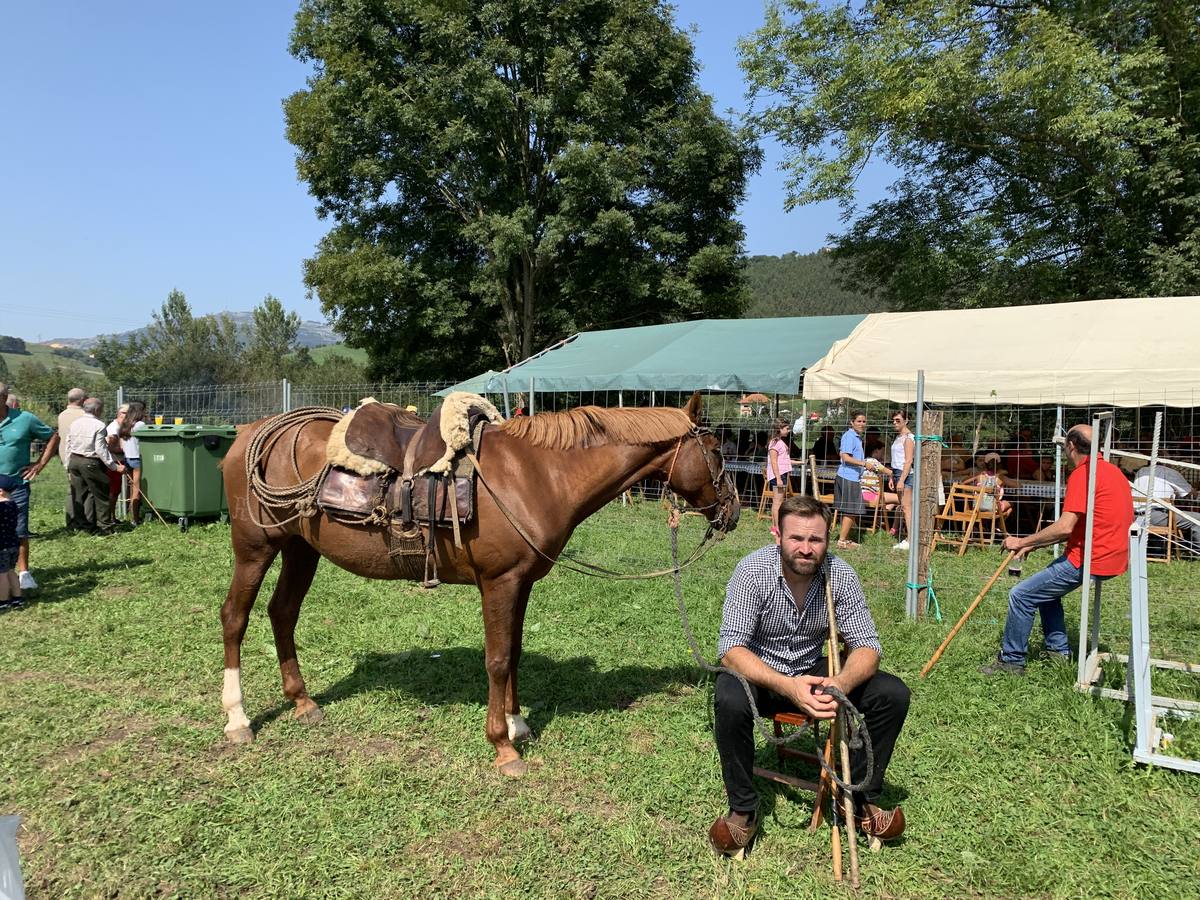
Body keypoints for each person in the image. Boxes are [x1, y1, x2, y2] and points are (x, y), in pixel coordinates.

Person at [708, 495, 910, 855]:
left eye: (815, 539)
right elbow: (731, 650)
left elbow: (868, 647)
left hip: (815, 674)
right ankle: (743, 809)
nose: (805, 548)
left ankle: (858, 799)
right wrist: (788, 686)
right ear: (778, 535)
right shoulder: (752, 571)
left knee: (892, 694)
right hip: (763, 675)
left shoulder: (840, 576)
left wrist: (840, 683)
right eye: (796, 538)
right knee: (728, 695)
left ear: (828, 539)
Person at [982, 425, 1134, 676]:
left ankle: (1011, 662)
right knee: (1045, 593)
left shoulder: (1083, 474)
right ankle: (1058, 653)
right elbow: (1085, 524)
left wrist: (1021, 541)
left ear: (1071, 446)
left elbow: (1065, 527)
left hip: (1090, 558)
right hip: (1113, 555)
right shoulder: (1111, 471)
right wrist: (1033, 543)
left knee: (1021, 595)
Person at [0, 382, 59, 591]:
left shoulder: (25, 419)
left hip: (16, 485)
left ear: (3, 398)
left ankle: (24, 573)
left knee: (19, 529)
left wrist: (39, 464)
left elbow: (53, 436)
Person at [65, 397, 126, 533]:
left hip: (74, 460)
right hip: (90, 462)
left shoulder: (75, 423)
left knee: (79, 495)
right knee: (101, 494)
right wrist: (114, 466)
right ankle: (105, 527)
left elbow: (68, 444)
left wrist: (67, 465)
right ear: (97, 410)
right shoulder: (99, 425)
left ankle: (82, 525)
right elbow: (100, 449)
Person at [833, 411, 882, 550]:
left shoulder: (856, 437)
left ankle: (845, 539)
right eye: (859, 421)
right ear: (852, 422)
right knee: (851, 510)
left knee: (851, 510)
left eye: (864, 421)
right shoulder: (849, 436)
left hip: (852, 476)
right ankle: (842, 541)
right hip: (848, 476)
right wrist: (864, 464)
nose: (862, 424)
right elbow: (845, 457)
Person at [1131, 461, 1195, 552]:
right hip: (1156, 516)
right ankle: (1196, 552)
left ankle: (1155, 550)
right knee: (1197, 519)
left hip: (1135, 515)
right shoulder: (1170, 472)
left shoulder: (1141, 471)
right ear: (1167, 461)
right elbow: (1188, 492)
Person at [57, 387, 87, 529]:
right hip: (80, 456)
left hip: (65, 456)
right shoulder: (84, 415)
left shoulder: (62, 415)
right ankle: (80, 520)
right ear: (82, 400)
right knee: (82, 489)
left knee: (73, 487)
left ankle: (71, 520)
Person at [119, 400, 149, 525]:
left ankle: (132, 515)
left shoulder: (125, 423)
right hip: (137, 459)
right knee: (136, 490)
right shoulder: (140, 424)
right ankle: (135, 519)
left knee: (132, 489)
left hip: (127, 459)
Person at [889, 410, 915, 551]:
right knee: (903, 507)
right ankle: (908, 537)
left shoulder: (909, 438)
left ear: (906, 420)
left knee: (907, 508)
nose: (894, 423)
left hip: (905, 474)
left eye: (898, 420)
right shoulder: (899, 437)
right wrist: (892, 476)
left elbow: (908, 460)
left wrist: (901, 480)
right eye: (893, 420)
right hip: (897, 473)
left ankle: (910, 540)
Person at [766, 419, 793, 533]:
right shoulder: (775, 443)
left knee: (778, 501)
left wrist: (799, 462)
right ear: (779, 429)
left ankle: (775, 526)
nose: (788, 430)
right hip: (779, 475)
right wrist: (778, 478)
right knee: (778, 502)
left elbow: (783, 459)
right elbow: (774, 461)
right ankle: (777, 527)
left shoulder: (779, 442)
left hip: (782, 474)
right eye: (786, 428)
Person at [0, 473, 22, 610]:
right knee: (11, 571)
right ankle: (17, 598)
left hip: (1, 546)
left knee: (1, 575)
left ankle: (3, 601)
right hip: (13, 544)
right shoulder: (13, 505)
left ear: (0, 491)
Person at [105, 404, 129, 514]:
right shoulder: (113, 428)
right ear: (118, 413)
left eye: (128, 413)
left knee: (117, 490)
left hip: (121, 460)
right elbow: (110, 447)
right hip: (114, 461)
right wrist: (128, 450)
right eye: (123, 412)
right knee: (113, 490)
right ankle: (110, 516)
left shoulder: (123, 426)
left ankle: (113, 516)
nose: (126, 415)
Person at [974, 452, 1013, 519]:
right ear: (999, 464)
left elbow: (964, 482)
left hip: (977, 507)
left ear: (985, 464)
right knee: (1011, 503)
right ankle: (1000, 523)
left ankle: (989, 523)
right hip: (993, 508)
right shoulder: (1000, 477)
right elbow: (1018, 485)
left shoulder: (979, 476)